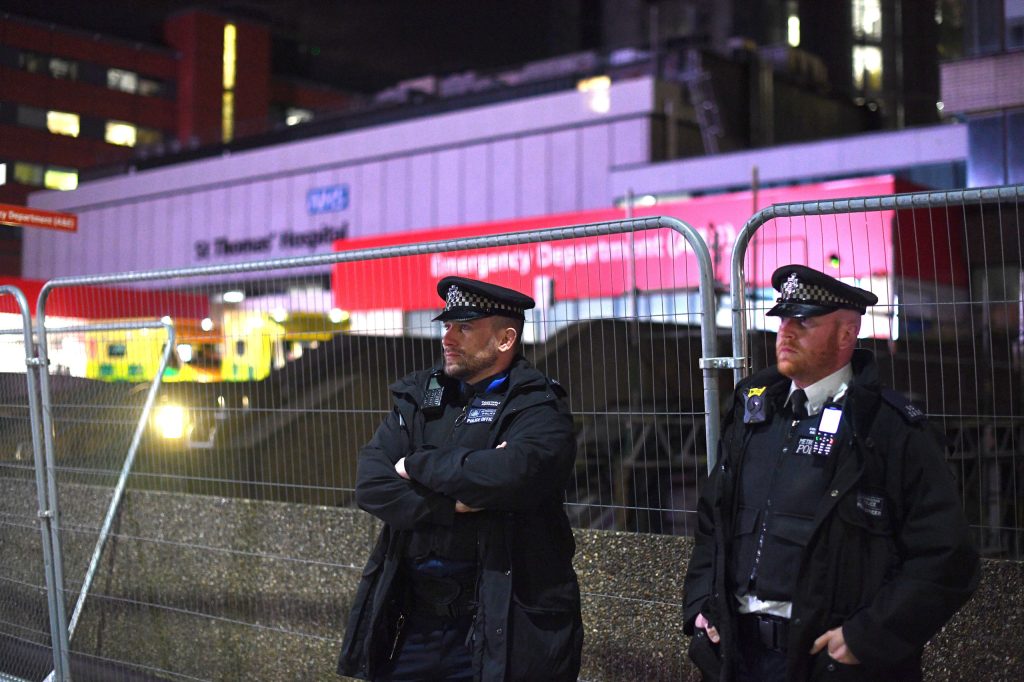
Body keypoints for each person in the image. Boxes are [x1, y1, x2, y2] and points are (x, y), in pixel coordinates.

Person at [683, 264, 979, 682]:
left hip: (831, 664)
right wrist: (701, 603)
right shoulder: (754, 414)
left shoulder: (887, 429)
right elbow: (713, 522)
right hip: (738, 657)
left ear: (845, 335)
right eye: (783, 318)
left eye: (803, 322)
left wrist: (866, 637)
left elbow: (948, 557)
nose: (785, 333)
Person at [337, 276, 583, 682]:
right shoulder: (421, 396)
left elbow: (510, 476)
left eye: (464, 327)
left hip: (500, 624)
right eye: (446, 325)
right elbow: (371, 483)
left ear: (505, 340)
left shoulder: (537, 405)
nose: (447, 337)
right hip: (413, 624)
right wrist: (452, 502)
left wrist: (415, 465)